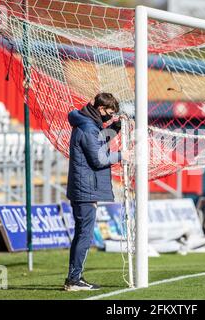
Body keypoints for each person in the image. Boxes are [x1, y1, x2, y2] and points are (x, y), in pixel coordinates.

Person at [64, 92, 126, 291]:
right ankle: (74, 279)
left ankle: (74, 277)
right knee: (84, 234)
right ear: (101, 109)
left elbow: (97, 144)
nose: (110, 116)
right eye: (109, 113)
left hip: (84, 187)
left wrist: (114, 129)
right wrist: (123, 155)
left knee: (82, 233)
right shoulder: (88, 127)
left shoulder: (88, 123)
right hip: (85, 190)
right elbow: (99, 159)